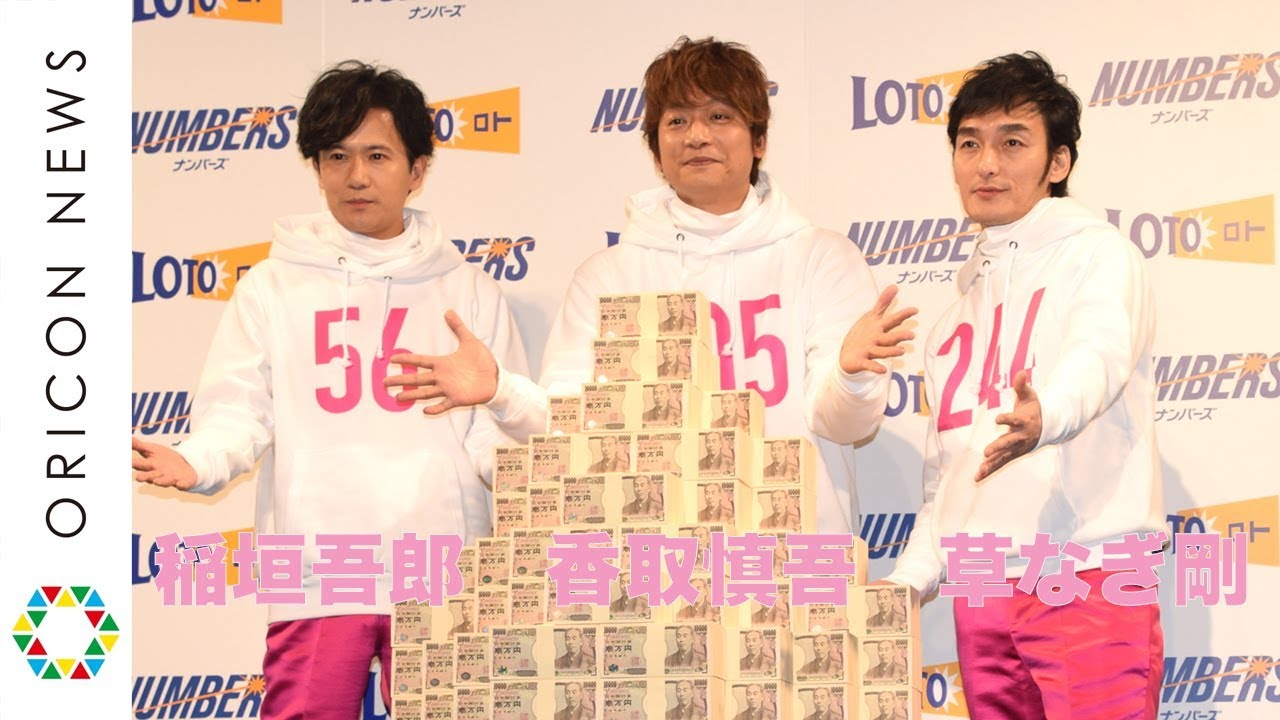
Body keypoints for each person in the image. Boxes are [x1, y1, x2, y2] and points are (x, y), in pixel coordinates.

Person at [383, 36, 916, 536]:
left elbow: (844, 424)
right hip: (657, 568)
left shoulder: (822, 258)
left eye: (719, 116)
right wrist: (502, 392)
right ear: (656, 149)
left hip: (796, 556)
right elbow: (574, 430)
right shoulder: (607, 275)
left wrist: (851, 376)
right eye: (677, 120)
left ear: (759, 140)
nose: (697, 135)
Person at [129, 61, 527, 719]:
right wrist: (197, 461)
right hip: (319, 567)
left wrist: (542, 485)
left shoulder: (468, 291)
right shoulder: (272, 287)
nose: (356, 176)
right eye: (336, 156)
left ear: (418, 169)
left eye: (377, 155)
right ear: (315, 168)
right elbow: (239, 410)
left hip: (441, 566)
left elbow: (497, 438)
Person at [882, 52, 1162, 719]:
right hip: (981, 585)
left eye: (1012, 142)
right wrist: (906, 581)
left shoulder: (1099, 256)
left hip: (1086, 573)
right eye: (969, 143)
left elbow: (1098, 357)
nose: (987, 163)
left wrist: (1049, 416)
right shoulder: (953, 319)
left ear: (1057, 162)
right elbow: (948, 478)